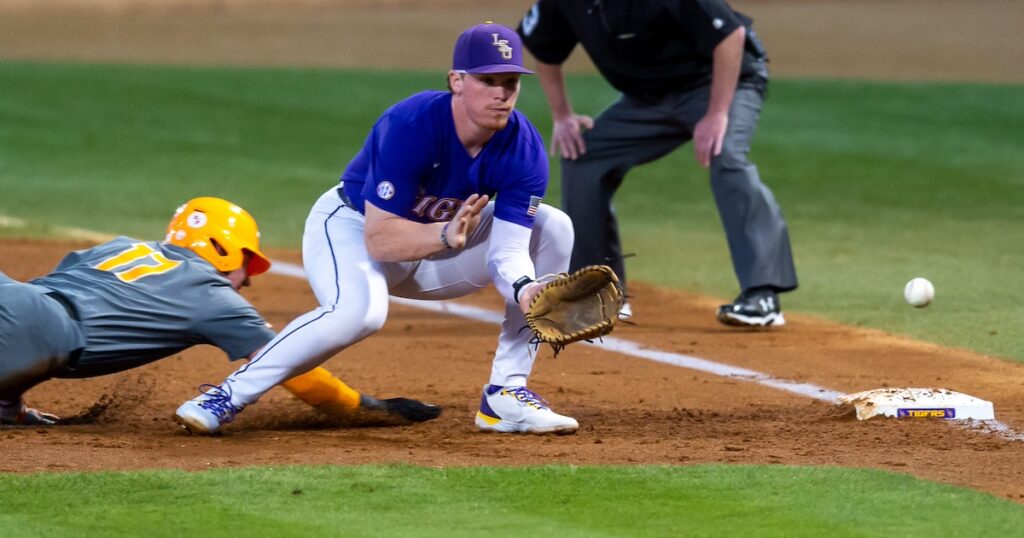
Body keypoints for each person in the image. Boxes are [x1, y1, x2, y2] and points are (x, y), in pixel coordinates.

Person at [175, 22, 580, 436]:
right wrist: (442, 235)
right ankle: (223, 397)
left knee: (554, 226)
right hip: (352, 231)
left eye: (510, 82)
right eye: (488, 80)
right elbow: (381, 239)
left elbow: (507, 251)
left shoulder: (523, 148)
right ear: (456, 81)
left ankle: (506, 395)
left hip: (433, 252)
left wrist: (526, 287)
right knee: (360, 313)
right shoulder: (412, 125)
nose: (502, 93)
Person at [0, 197, 436, 427]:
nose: (247, 280)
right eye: (246, 263)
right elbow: (289, 365)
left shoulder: (121, 245)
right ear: (223, 249)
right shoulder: (211, 294)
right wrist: (368, 408)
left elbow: (52, 290)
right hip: (40, 329)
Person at [517, 0, 798, 327]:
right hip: (648, 100)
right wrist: (562, 116)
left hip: (720, 83)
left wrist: (717, 113)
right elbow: (543, 46)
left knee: (728, 156)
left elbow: (731, 36)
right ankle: (602, 294)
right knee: (583, 155)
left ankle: (762, 295)